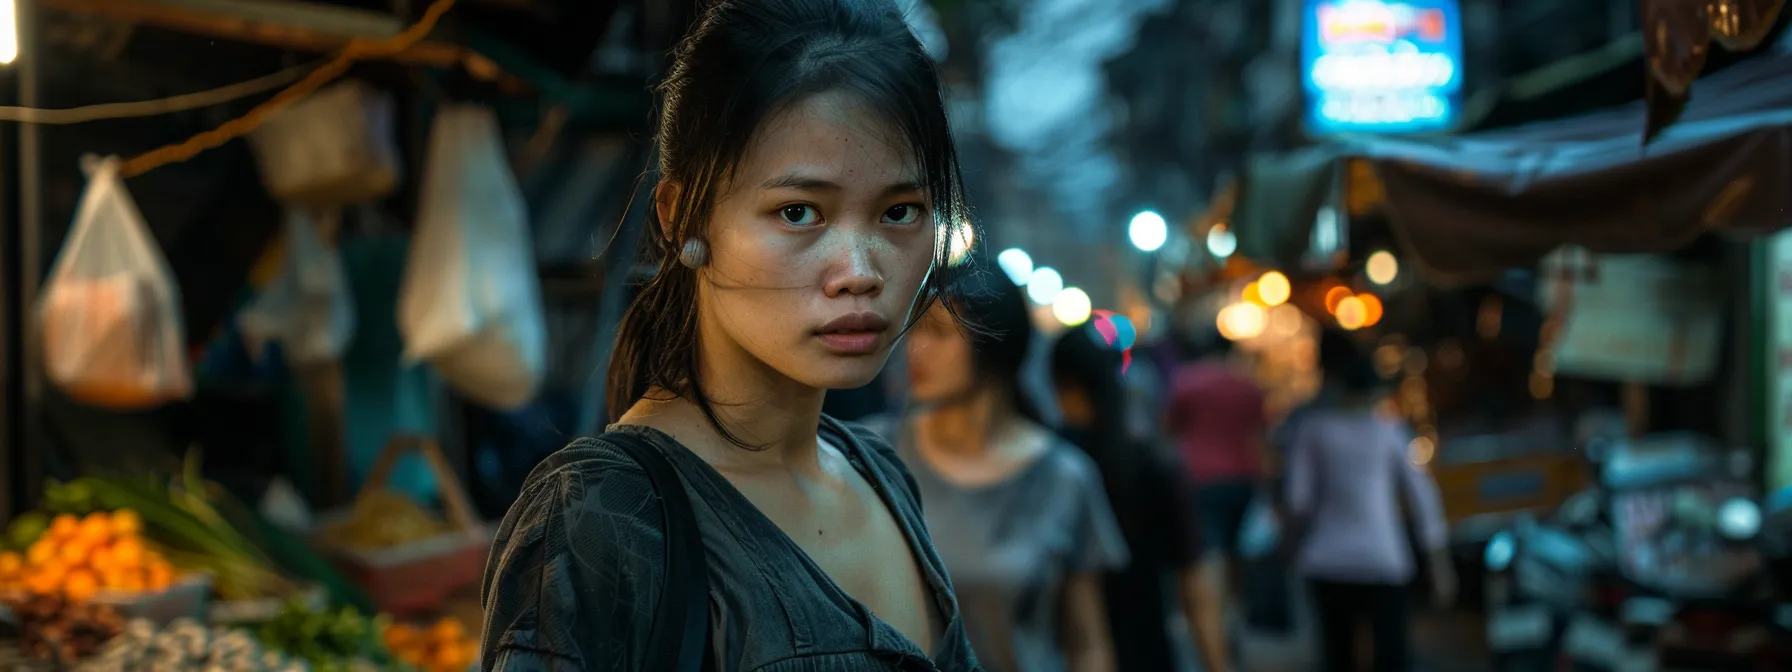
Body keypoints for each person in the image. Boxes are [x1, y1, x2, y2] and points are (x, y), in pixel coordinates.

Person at [478, 1, 981, 669]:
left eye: (900, 211)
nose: (860, 274)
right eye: (798, 212)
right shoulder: (600, 519)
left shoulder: (880, 473)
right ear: (681, 219)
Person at [872, 270, 1127, 672]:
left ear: (992, 340)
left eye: (938, 333)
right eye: (913, 330)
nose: (915, 349)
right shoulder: (869, 453)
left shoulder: (1063, 477)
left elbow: (1088, 642)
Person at [1048, 323, 1232, 672]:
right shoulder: (1151, 462)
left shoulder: (1053, 462)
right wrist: (1217, 664)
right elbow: (1195, 587)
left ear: (1060, 383)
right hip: (1148, 647)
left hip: (1064, 653)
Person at [1284, 331, 1455, 672]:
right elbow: (1424, 499)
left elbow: (1297, 501)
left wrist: (1288, 548)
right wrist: (1439, 564)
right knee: (1391, 657)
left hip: (1325, 559)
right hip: (1384, 559)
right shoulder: (1388, 431)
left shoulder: (1313, 430)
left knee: (1337, 656)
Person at [1164, 331, 1268, 604]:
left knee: (1208, 549)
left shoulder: (1187, 381)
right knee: (1237, 548)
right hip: (1243, 475)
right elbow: (1260, 434)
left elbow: (1169, 427)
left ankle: (1215, 614)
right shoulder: (1248, 385)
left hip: (1200, 476)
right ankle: (1235, 609)